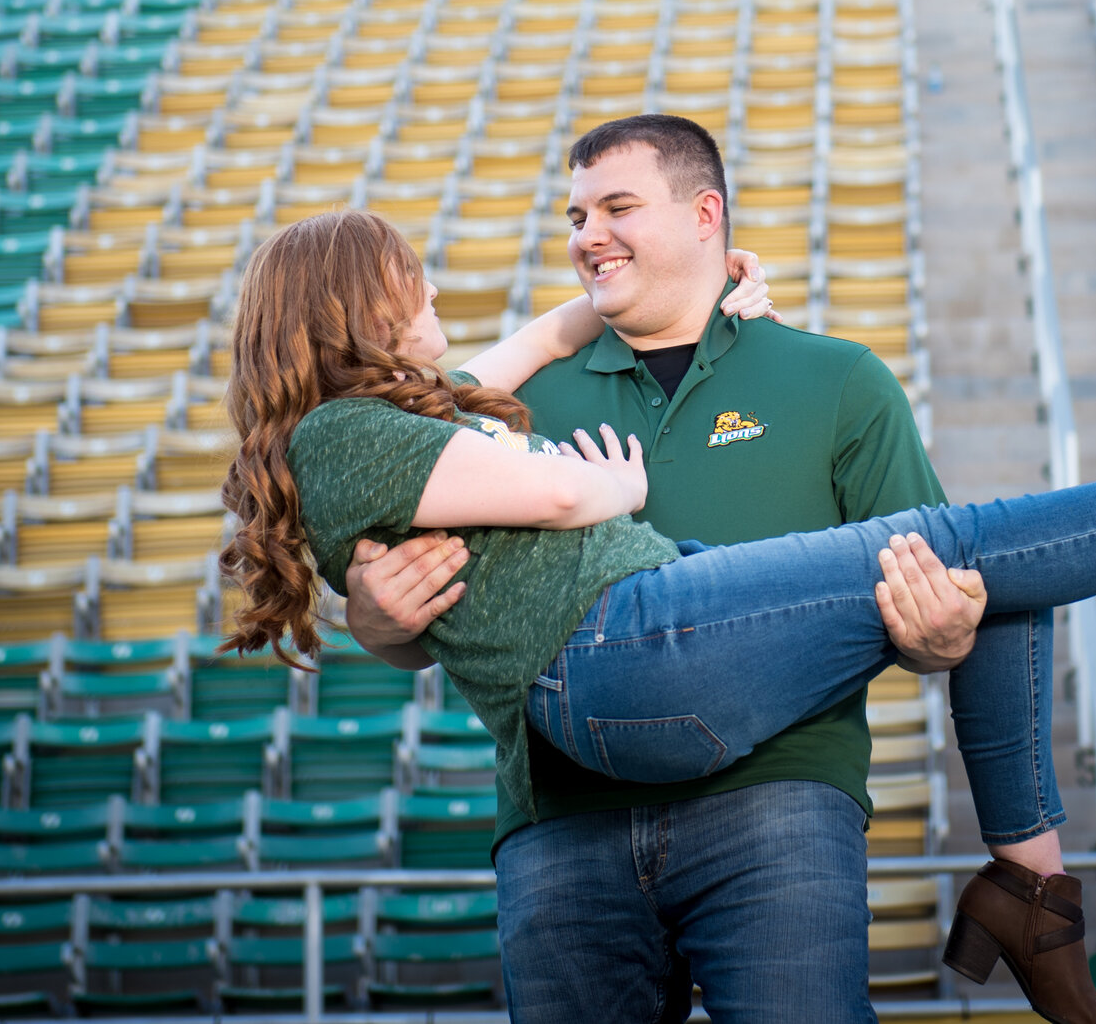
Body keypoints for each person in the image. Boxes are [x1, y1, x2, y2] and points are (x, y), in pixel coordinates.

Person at [218, 209, 1096, 1024]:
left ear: (707, 219)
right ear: (350, 311)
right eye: (402, 276)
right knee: (975, 533)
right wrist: (603, 494)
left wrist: (683, 304)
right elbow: (567, 491)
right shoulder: (359, 431)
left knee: (995, 568)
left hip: (681, 711)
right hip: (621, 667)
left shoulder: (443, 409)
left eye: (616, 211)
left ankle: (1029, 886)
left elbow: (536, 343)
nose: (426, 288)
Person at [347, 115, 1007, 1023]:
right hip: (561, 814)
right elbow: (417, 605)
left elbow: (924, 588)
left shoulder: (838, 379)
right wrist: (376, 621)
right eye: (576, 215)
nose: (588, 235)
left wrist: (943, 635)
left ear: (707, 215)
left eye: (618, 206)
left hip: (773, 800)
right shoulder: (508, 398)